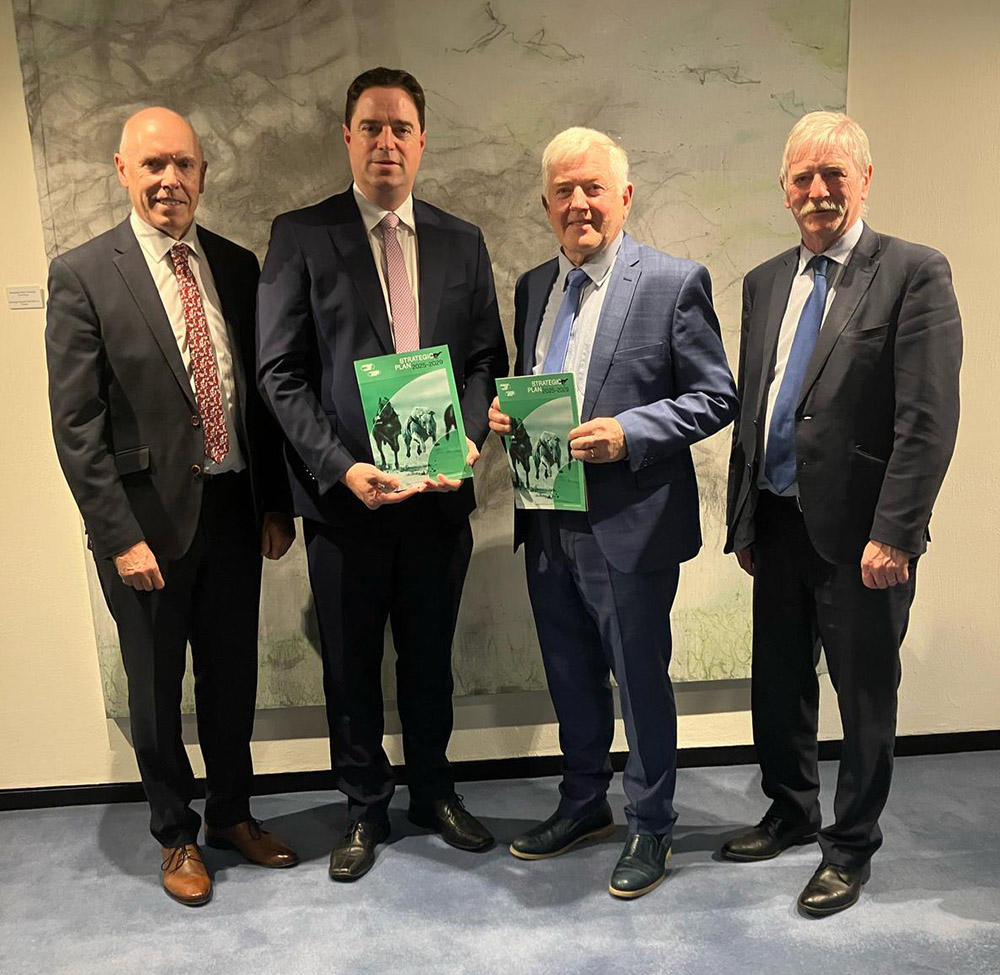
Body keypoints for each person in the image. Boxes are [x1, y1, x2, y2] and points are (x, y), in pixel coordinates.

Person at [256, 67, 508, 881]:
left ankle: (434, 791)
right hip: (347, 504)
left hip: (437, 502)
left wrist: (468, 439)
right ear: (347, 138)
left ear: (422, 141)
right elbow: (279, 373)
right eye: (371, 126)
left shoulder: (462, 240)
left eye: (401, 128)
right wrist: (341, 467)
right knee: (350, 667)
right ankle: (364, 806)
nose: (386, 142)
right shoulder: (301, 235)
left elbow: (485, 359)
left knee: (430, 661)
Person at [45, 107, 299, 906]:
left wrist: (274, 502)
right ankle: (174, 833)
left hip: (231, 511)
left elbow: (259, 397)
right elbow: (76, 424)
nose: (169, 180)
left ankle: (231, 813)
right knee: (155, 691)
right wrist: (118, 535)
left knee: (232, 679)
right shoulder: (83, 273)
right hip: (144, 527)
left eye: (183, 164)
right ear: (122, 170)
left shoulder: (236, 264)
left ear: (203, 174)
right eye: (152, 165)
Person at [723, 111, 962, 915]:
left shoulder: (914, 272)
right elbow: (756, 406)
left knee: (863, 697)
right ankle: (791, 810)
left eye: (835, 174)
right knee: (778, 684)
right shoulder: (764, 281)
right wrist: (744, 517)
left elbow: (927, 419)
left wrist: (896, 532)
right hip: (777, 521)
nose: (818, 190)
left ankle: (851, 844)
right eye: (804, 176)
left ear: (865, 179)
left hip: (864, 536)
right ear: (784, 187)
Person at [488, 127, 737, 898]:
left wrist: (630, 432)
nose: (578, 203)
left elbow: (716, 395)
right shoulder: (534, 286)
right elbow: (537, 382)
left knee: (639, 679)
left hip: (629, 524)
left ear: (624, 197)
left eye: (592, 188)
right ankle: (583, 802)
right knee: (570, 674)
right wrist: (507, 416)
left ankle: (652, 822)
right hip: (546, 518)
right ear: (545, 204)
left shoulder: (672, 281)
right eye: (563, 190)